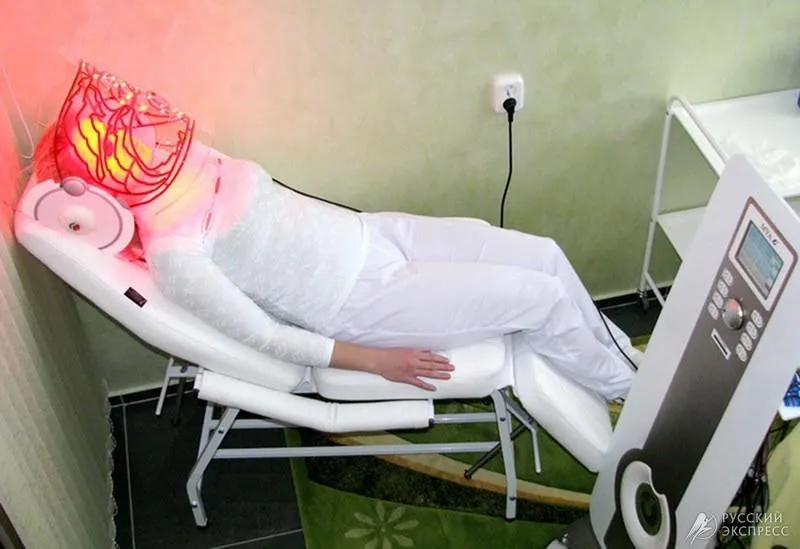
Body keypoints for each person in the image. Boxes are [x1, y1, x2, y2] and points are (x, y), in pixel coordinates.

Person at [35, 127, 640, 402]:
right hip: (362, 302)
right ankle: (630, 394)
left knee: (545, 253)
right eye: (113, 146)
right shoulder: (173, 255)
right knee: (541, 299)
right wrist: (378, 361)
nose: (138, 140)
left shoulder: (190, 164)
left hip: (377, 232)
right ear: (106, 187)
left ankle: (617, 355)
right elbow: (267, 336)